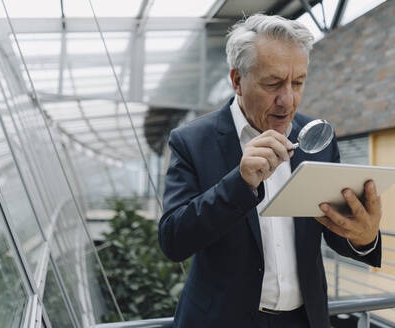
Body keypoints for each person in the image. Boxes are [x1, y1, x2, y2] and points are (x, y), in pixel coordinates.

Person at [158, 14, 381, 328]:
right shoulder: (192, 141)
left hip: (304, 321)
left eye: (298, 82)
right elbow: (173, 240)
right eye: (273, 83)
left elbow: (334, 228)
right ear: (237, 80)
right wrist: (240, 183)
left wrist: (364, 238)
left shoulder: (316, 138)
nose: (287, 100)